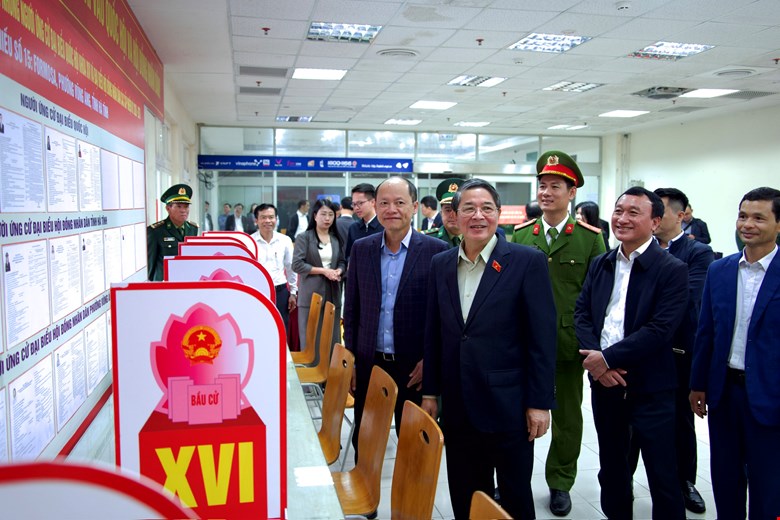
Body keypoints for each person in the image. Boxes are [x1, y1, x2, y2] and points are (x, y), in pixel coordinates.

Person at [422, 178, 557, 520]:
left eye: (486, 208)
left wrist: (540, 403)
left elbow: (542, 339)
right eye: (468, 208)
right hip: (458, 404)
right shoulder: (441, 264)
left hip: (509, 405)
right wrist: (431, 392)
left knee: (515, 497)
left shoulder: (527, 261)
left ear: (498, 213)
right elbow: (434, 333)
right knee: (466, 493)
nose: (478, 216)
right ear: (455, 215)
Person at [575, 186, 688, 519]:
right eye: (618, 211)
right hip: (605, 385)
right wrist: (597, 362)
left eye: (633, 213)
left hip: (651, 388)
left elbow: (659, 330)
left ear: (655, 222)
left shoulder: (671, 269)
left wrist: (607, 359)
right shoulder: (602, 263)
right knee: (612, 468)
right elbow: (582, 313)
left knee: (662, 472)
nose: (622, 219)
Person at [512, 151, 606, 516]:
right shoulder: (521, 235)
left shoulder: (589, 239)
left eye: (555, 186)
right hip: (522, 344)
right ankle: (514, 479)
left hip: (567, 346)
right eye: (542, 186)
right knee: (518, 416)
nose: (546, 193)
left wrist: (591, 344)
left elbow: (596, 298)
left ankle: (560, 481)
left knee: (567, 419)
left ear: (572, 193)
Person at [690, 187, 780, 519]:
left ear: (778, 224)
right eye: (743, 216)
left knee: (768, 486)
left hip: (771, 396)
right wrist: (698, 383)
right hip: (725, 392)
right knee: (726, 478)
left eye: (759, 218)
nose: (747, 224)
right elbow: (707, 331)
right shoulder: (721, 270)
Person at [343, 176, 447, 463]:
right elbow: (351, 310)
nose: (391, 209)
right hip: (370, 362)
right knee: (366, 440)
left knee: (414, 445)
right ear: (375, 206)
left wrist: (429, 361)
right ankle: (365, 489)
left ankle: (410, 492)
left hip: (414, 367)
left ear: (414, 206)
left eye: (400, 202)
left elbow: (441, 317)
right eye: (384, 203)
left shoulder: (436, 251)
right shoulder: (361, 249)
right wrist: (351, 359)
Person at [623, 188, 713, 513]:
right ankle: (625, 481)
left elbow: (687, 298)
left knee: (679, 421)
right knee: (629, 424)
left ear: (680, 215)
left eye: (659, 210)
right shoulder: (632, 251)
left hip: (675, 352)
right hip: (634, 351)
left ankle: (684, 481)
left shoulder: (697, 252)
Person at [292, 199, 345, 350]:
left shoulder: (336, 239)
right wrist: (324, 271)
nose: (327, 218)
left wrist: (339, 270)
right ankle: (311, 365)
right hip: (311, 294)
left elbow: (342, 261)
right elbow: (297, 265)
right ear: (315, 216)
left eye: (331, 214)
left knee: (332, 338)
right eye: (323, 214)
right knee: (311, 339)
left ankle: (331, 365)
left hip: (333, 292)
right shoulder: (304, 237)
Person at [251, 203, 298, 330]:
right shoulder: (249, 242)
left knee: (281, 329)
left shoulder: (285, 240)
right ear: (256, 220)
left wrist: (293, 292)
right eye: (263, 217)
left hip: (280, 292)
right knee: (258, 329)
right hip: (257, 293)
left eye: (271, 217)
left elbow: (291, 267)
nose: (268, 221)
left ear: (276, 219)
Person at [147, 184, 199, 281]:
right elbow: (150, 263)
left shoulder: (193, 228)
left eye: (186, 206)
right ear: (168, 208)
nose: (183, 210)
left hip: (185, 280)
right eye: (179, 206)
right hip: (164, 282)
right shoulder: (155, 231)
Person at [345, 183, 383, 261]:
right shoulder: (353, 228)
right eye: (354, 204)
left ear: (373, 202)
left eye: (360, 203)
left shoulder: (384, 226)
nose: (356, 208)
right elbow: (349, 255)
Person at [424, 178, 463, 249]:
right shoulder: (427, 240)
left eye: (457, 209)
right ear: (441, 213)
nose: (453, 215)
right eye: (448, 210)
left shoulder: (476, 239)